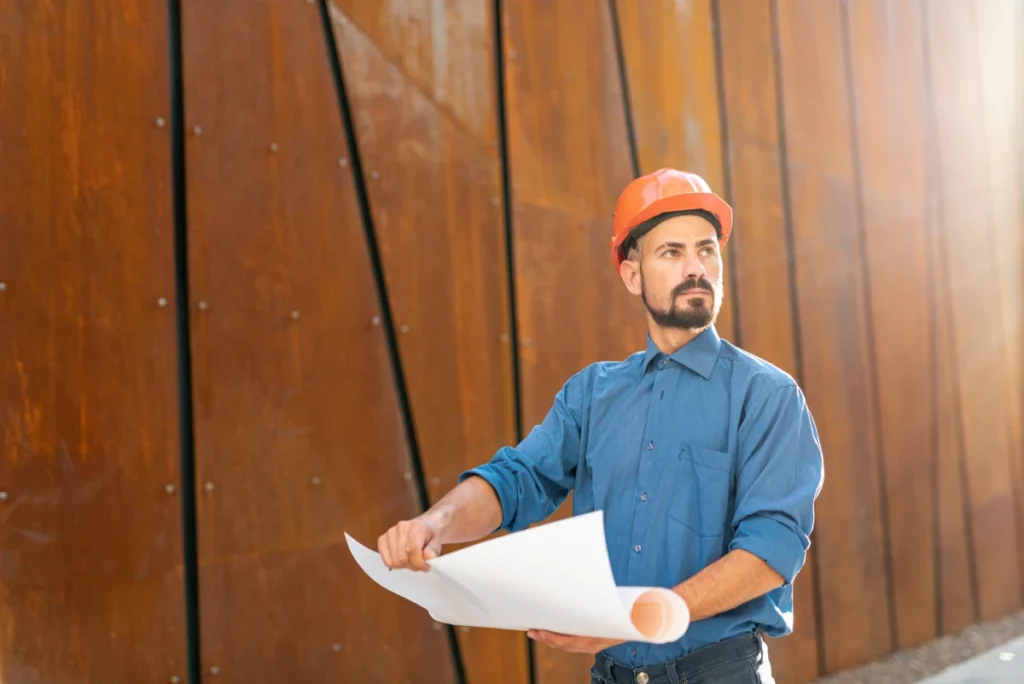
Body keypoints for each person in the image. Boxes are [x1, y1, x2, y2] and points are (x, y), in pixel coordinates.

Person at [377, 168, 825, 684]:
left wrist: (634, 619)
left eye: (707, 250)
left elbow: (772, 550)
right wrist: (435, 525)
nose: (695, 268)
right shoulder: (592, 395)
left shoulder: (766, 396)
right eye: (671, 253)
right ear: (632, 275)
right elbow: (518, 479)